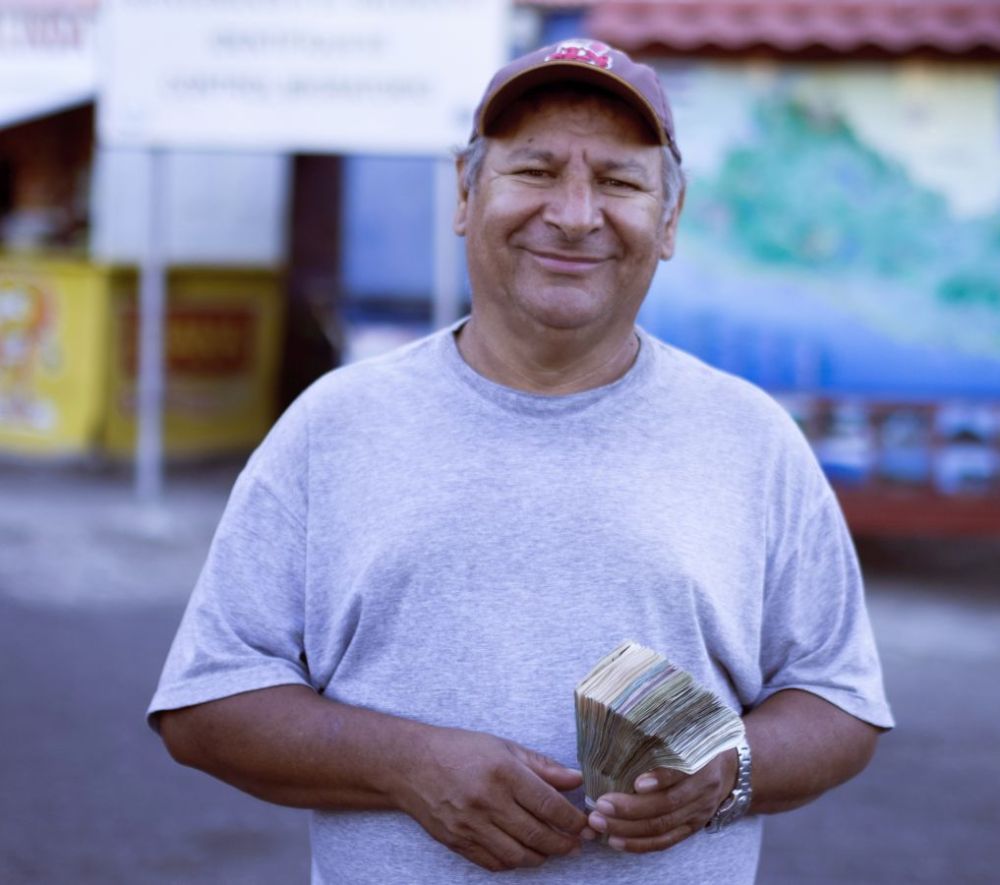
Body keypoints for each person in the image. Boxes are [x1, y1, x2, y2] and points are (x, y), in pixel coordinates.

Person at [148, 38, 894, 884]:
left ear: (669, 219)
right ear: (466, 195)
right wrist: (404, 763)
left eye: (618, 182)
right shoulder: (335, 424)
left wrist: (729, 768)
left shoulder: (751, 437)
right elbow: (206, 703)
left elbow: (839, 698)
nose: (575, 214)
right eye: (535, 171)